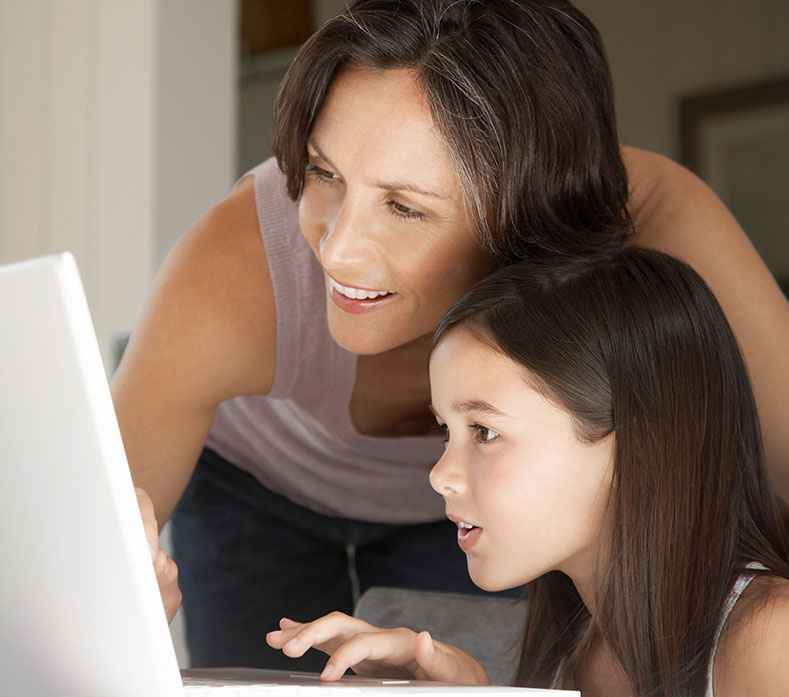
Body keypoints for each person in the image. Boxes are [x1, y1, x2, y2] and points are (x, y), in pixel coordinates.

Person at [114, 0, 789, 671]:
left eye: (406, 207)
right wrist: (114, 600)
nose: (337, 251)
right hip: (253, 484)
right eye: (322, 173)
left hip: (485, 507)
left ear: (525, 219)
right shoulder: (230, 269)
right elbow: (83, 549)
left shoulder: (653, 223)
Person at [267, 248, 789, 696]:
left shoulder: (772, 641)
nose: (439, 476)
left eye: (485, 432)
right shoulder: (571, 647)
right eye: (445, 432)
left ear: (636, 445)